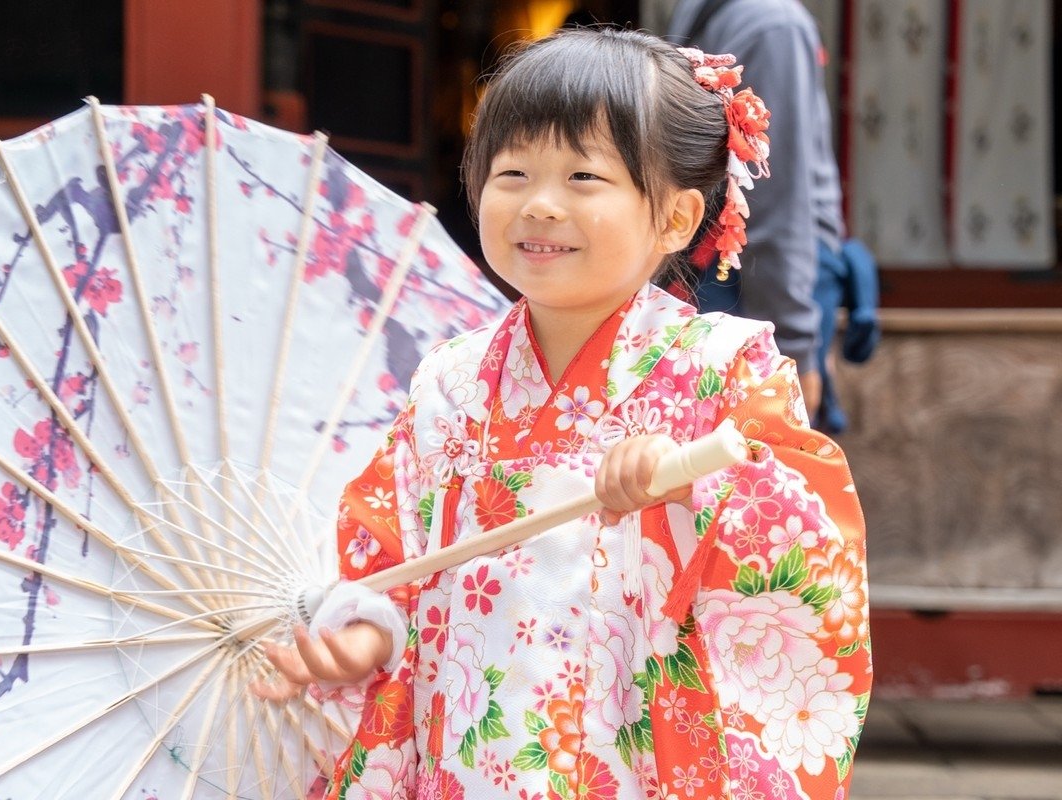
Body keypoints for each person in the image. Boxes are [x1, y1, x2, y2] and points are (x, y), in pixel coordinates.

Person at [255, 27, 871, 800]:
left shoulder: (720, 369)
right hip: (470, 752)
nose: (539, 204)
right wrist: (363, 632)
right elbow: (391, 557)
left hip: (635, 752)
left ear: (676, 219)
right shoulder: (449, 384)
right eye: (511, 172)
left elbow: (807, 541)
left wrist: (686, 486)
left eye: (583, 175)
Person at [667, 0, 848, 423]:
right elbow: (773, 194)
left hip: (733, 271)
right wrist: (795, 346)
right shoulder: (774, 22)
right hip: (760, 283)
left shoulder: (718, 10)